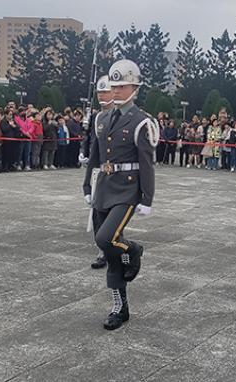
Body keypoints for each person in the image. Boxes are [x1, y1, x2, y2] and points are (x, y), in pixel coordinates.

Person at [81, 59, 157, 330]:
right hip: (104, 185)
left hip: (127, 189)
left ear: (134, 87)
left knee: (106, 238)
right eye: (113, 86)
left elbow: (147, 163)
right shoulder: (102, 118)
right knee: (109, 250)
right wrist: (87, 186)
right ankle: (119, 307)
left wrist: (147, 198)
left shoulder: (142, 121)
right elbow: (96, 156)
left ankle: (134, 251)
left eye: (121, 86)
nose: (115, 91)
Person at [86, 75, 116, 270]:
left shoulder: (124, 115)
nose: (101, 95)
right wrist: (87, 182)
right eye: (99, 92)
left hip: (121, 176)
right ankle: (103, 250)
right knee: (98, 214)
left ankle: (117, 249)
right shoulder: (97, 117)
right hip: (102, 173)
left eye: (105, 91)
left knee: (114, 216)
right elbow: (94, 146)